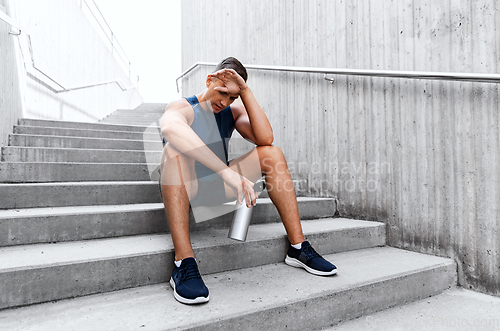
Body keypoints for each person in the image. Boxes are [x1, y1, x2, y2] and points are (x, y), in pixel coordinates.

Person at [160, 57, 337, 305]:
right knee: (174, 151)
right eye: (222, 92)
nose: (225, 101)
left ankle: (298, 247)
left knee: (271, 153)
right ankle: (183, 261)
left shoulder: (231, 111)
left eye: (232, 97)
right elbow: (169, 128)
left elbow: (265, 137)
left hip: (214, 191)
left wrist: (245, 91)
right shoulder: (183, 106)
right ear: (210, 80)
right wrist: (227, 172)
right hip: (184, 190)